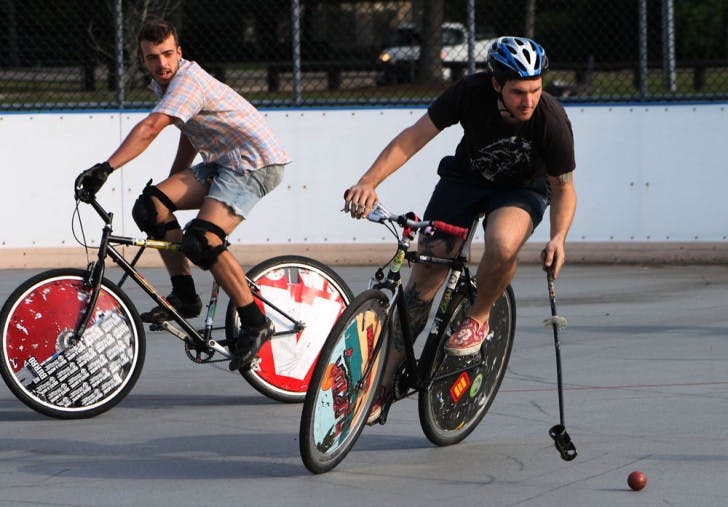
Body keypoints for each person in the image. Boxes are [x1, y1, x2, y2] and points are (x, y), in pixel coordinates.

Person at [343, 36, 576, 424]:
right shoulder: (469, 92)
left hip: (521, 191)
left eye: (536, 89)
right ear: (496, 84)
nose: (529, 100)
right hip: (465, 180)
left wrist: (558, 238)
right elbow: (413, 138)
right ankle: (381, 386)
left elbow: (564, 189)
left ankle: (478, 316)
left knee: (502, 242)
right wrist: (369, 180)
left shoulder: (551, 120)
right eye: (519, 91)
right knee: (423, 282)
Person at [74, 18, 290, 372]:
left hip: (254, 163)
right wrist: (176, 177)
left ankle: (254, 321)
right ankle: (186, 297)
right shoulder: (165, 84)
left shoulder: (187, 81)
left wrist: (106, 168)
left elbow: (151, 128)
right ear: (143, 60)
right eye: (152, 57)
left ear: (180, 53)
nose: (161, 64)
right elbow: (190, 128)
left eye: (167, 54)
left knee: (203, 240)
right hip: (222, 162)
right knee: (151, 206)